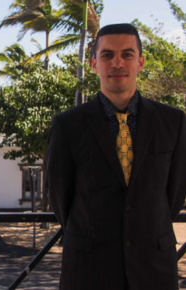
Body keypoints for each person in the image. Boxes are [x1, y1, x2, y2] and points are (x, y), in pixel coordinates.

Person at [45, 23, 186, 289]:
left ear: (141, 62)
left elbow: (175, 194)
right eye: (107, 55)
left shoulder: (174, 122)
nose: (117, 63)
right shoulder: (68, 125)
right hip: (89, 270)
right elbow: (60, 196)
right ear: (94, 64)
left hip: (154, 269)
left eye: (127, 54)